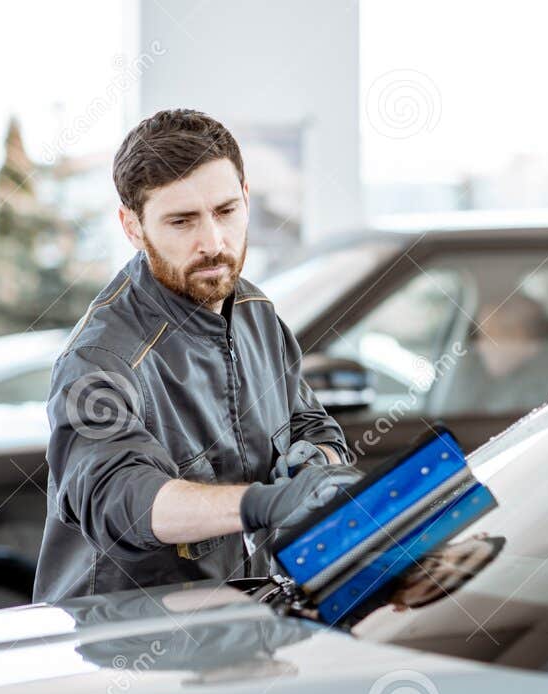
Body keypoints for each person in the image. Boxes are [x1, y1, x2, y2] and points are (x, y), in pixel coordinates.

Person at [34, 109, 359, 603]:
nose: (213, 242)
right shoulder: (99, 360)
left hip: (237, 626)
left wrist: (315, 465)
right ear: (132, 226)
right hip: (122, 649)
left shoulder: (256, 313)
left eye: (226, 211)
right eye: (182, 221)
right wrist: (264, 504)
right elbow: (123, 500)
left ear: (246, 199)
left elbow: (316, 427)